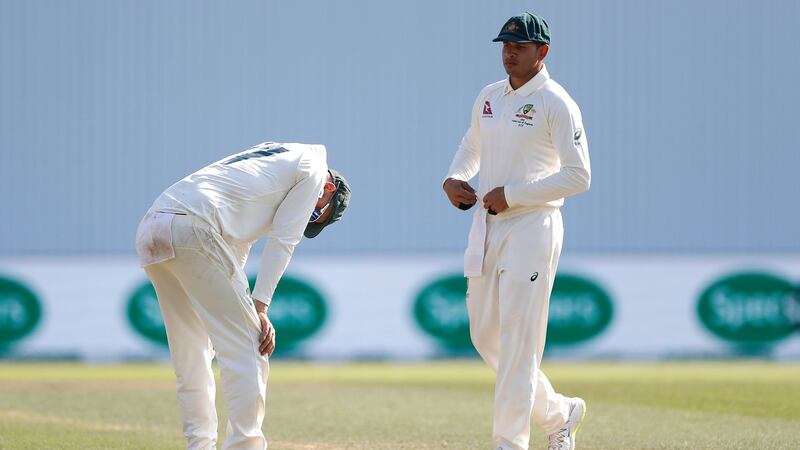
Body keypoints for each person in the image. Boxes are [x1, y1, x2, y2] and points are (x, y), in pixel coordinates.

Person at [135, 141, 350, 450]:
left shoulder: (278, 158)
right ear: (327, 188)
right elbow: (283, 241)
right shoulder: (314, 170)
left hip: (153, 227)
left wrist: (244, 303)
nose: (307, 218)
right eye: (315, 214)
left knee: (193, 355)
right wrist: (259, 308)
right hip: (193, 226)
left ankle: (199, 446)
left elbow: (238, 245)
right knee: (252, 344)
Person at [442, 12, 591, 450]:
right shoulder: (490, 96)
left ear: (542, 52)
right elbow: (472, 145)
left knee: (519, 341)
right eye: (505, 45)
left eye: (520, 47)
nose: (509, 53)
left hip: (533, 226)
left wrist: (516, 194)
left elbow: (579, 176)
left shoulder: (556, 102)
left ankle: (510, 442)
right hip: (488, 224)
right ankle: (560, 413)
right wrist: (454, 178)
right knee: (485, 335)